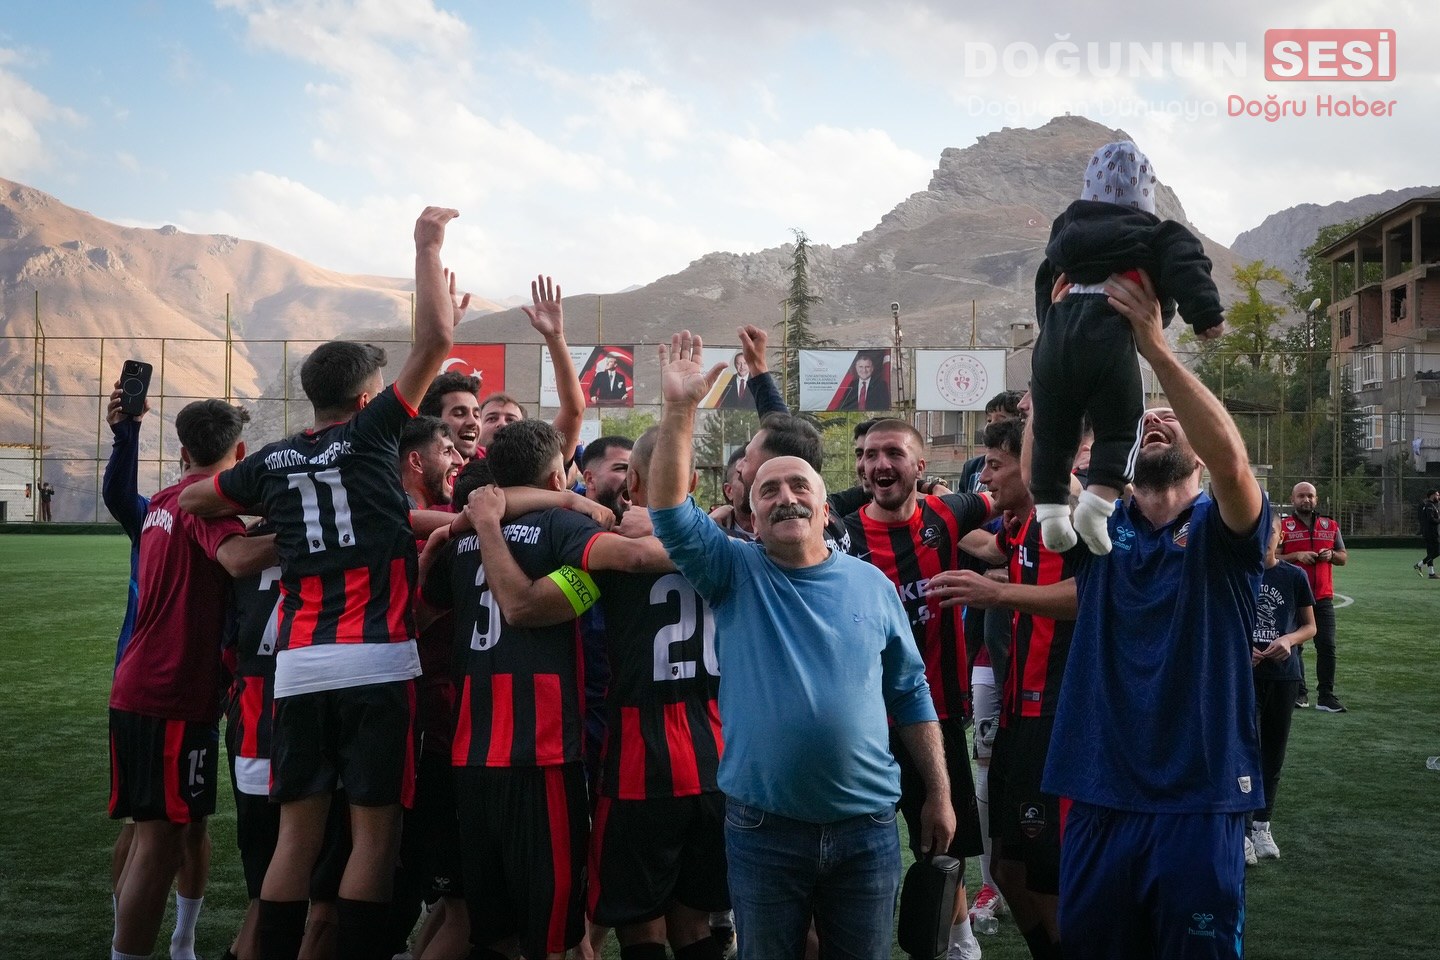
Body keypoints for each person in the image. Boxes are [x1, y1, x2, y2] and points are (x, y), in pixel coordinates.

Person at [180, 206, 466, 960]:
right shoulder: (372, 434)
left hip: (298, 669)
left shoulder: (273, 459)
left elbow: (198, 498)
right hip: (377, 661)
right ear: (369, 398)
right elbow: (437, 341)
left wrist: (274, 525)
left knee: (297, 838)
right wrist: (427, 245)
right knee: (375, 833)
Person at [649, 331, 955, 959]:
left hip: (868, 829)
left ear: (824, 507)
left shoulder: (871, 585)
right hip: (764, 830)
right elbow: (670, 513)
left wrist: (941, 792)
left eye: (799, 488)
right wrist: (680, 411)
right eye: (768, 489)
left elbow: (910, 691)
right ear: (751, 515)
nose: (785, 496)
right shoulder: (732, 572)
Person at [1042, 270, 1268, 960]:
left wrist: (1158, 353)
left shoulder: (1220, 528)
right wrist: (1058, 342)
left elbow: (1230, 465)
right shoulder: (1099, 526)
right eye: (1149, 417)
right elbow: (1042, 465)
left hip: (1198, 795)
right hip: (1100, 788)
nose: (1163, 419)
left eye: (1179, 417)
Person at [427, 417, 669, 960]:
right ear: (558, 477)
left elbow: (430, 600)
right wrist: (729, 550)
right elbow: (620, 563)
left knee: (492, 933)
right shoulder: (561, 530)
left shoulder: (459, 538)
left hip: (472, 754)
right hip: (542, 756)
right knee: (555, 936)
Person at [108, 399, 277, 960]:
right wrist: (310, 530)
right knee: (160, 843)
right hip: (173, 693)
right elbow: (236, 560)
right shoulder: (208, 510)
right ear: (241, 454)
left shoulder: (161, 501)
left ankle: (176, 946)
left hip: (138, 685)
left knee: (154, 831)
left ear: (181, 452)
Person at [845, 418, 997, 960]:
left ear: (920, 466)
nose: (880, 464)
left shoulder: (950, 514)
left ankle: (959, 943)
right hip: (859, 722)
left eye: (893, 453)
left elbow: (1012, 497)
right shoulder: (839, 531)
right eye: (869, 455)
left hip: (932, 717)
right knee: (856, 844)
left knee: (940, 841)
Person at [1029, 139, 1226, 557]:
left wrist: (1051, 327)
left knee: (1053, 427)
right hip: (1110, 332)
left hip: (1058, 337)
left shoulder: (1065, 231)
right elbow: (1186, 264)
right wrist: (1205, 314)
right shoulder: (1157, 233)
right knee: (1121, 422)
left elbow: (1046, 280)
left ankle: (1049, 512)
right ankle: (1097, 505)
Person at [933, 417, 1082, 960]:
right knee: (1004, 867)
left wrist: (999, 595)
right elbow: (1004, 563)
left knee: (1046, 874)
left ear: (1032, 464)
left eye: (995, 465)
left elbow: (1087, 596)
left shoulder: (1065, 520)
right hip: (1019, 714)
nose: (986, 477)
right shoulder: (1021, 526)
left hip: (1057, 717)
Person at [102, 383, 215, 960]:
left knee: (182, 824)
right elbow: (119, 493)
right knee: (150, 829)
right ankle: (133, 935)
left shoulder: (183, 509)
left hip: (172, 690)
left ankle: (180, 939)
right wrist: (126, 432)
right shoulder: (170, 512)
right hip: (163, 687)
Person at [1248, 515, 1316, 864]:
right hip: (1244, 677)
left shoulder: (1294, 576)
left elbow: (1309, 626)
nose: (1264, 538)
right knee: (1244, 751)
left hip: (1284, 676)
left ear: (1280, 536)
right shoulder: (1236, 572)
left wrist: (1288, 640)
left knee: (1273, 753)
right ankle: (1241, 830)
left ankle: (1262, 825)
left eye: (1270, 531)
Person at [1277, 481, 1348, 713]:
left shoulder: (1330, 525)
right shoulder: (1283, 526)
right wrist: (1297, 555)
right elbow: (1271, 555)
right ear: (1292, 499)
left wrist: (1331, 555)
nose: (1306, 500)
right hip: (1293, 597)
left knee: (1327, 646)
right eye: (1301, 496)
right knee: (1295, 646)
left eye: (1310, 496)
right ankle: (1300, 693)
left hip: (1323, 597)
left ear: (1316, 499)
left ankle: (1326, 696)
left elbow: (1343, 557)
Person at [1415, 489, 1439, 578]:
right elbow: (1431, 519)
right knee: (1437, 551)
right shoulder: (1429, 505)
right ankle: (1419, 565)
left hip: (1429, 532)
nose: (1438, 497)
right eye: (1437, 495)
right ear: (1432, 495)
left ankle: (1431, 573)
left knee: (1430, 553)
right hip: (1431, 533)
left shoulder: (1431, 505)